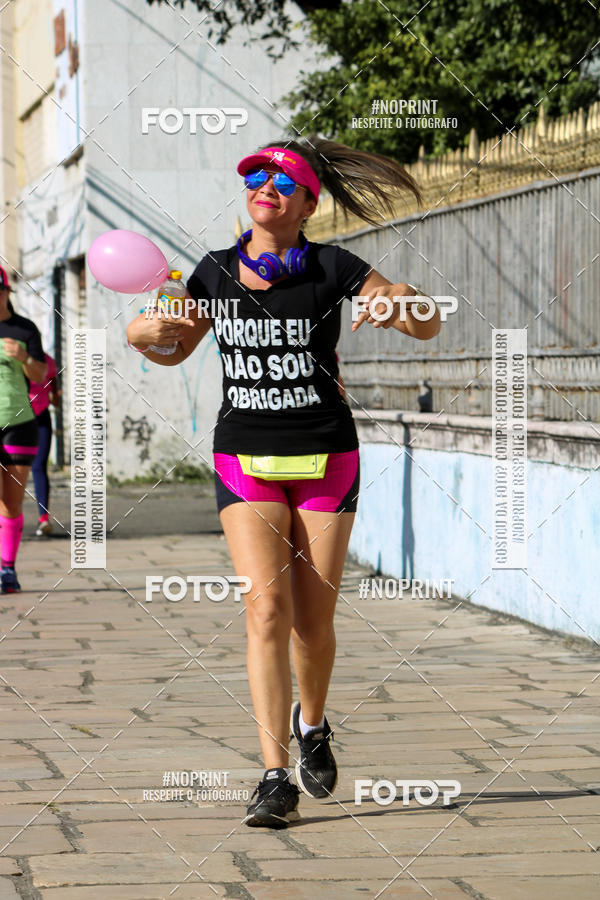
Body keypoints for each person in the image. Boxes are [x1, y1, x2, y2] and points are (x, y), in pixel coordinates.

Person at [126, 137, 442, 828]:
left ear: (306, 204)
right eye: (255, 178)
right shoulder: (212, 271)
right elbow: (173, 347)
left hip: (327, 456)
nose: (264, 187)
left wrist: (402, 300)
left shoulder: (334, 267)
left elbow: (425, 323)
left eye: (282, 180)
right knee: (265, 611)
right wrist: (141, 332)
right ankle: (273, 776)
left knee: (313, 622)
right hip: (245, 457)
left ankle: (314, 724)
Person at [0, 267, 48, 593]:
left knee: (11, 504)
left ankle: (7, 569)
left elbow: (41, 374)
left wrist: (23, 357)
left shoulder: (24, 329)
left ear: (6, 293)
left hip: (18, 424)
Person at [29, 353, 60, 536]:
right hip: (15, 419)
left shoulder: (48, 361)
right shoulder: (11, 357)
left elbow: (54, 388)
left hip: (41, 418)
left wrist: (55, 396)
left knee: (39, 466)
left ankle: (43, 519)